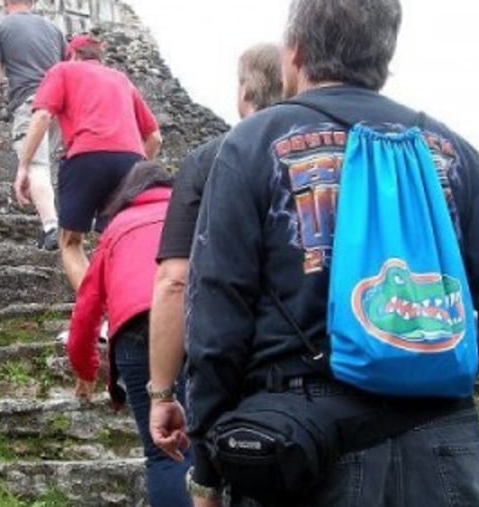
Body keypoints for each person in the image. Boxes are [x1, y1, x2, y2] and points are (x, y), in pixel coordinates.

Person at [150, 0, 479, 506]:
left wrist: (209, 461)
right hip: (446, 443)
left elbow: (218, 317)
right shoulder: (453, 152)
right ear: (386, 50)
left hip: (302, 447)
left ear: (295, 51)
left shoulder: (250, 145)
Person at [146, 43, 283, 501]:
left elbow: (175, 280)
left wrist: (162, 393)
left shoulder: (211, 158)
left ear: (245, 91)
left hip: (238, 374)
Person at [65, 161, 193, 507]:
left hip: (137, 335)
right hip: (197, 320)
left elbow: (86, 311)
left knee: (165, 452)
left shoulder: (117, 228)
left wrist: (85, 370)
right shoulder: (194, 212)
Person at [19, 34, 162, 291]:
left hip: (86, 156)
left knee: (71, 242)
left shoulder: (63, 70)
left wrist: (23, 167)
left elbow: (41, 117)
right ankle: (126, 309)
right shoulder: (121, 80)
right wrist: (137, 172)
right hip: (131, 161)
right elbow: (155, 137)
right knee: (119, 240)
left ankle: (99, 313)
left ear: (73, 54)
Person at [0, 0, 65, 250]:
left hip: (32, 102)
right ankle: (54, 222)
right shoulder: (54, 30)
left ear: (6, 2)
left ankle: (51, 227)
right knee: (45, 166)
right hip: (61, 105)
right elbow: (68, 68)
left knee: (35, 165)